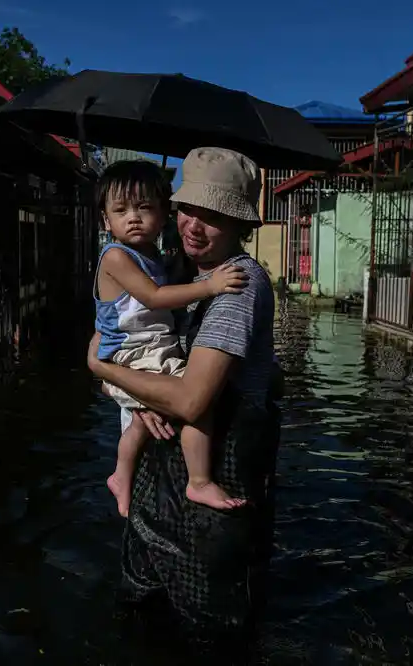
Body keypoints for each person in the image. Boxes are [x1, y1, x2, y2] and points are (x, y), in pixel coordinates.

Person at [87, 147, 280, 639]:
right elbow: (128, 336)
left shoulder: (235, 285)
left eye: (213, 216)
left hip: (218, 482)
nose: (194, 225)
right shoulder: (181, 272)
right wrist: (134, 393)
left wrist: (101, 370)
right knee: (145, 621)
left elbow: (191, 402)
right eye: (188, 209)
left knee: (210, 631)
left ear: (241, 224)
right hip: (165, 482)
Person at [93, 160, 248, 517]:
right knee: (197, 400)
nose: (132, 217)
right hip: (135, 351)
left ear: (163, 215)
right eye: (120, 210)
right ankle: (198, 481)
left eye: (144, 208)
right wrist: (209, 286)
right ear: (105, 220)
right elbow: (153, 297)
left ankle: (121, 474)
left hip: (146, 347)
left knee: (140, 422)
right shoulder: (117, 256)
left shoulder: (152, 256)